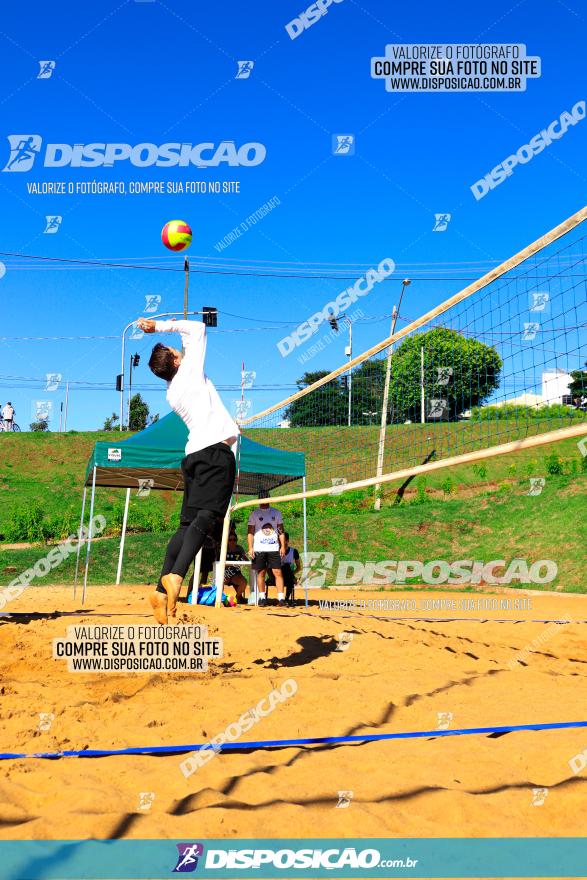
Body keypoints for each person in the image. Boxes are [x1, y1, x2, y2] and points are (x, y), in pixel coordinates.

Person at [138, 317, 239, 624]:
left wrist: (166, 341)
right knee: (209, 517)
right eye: (174, 349)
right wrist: (158, 327)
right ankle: (177, 576)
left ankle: (159, 590)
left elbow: (187, 343)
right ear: (176, 359)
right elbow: (197, 329)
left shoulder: (172, 391)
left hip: (193, 455)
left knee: (187, 525)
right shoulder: (189, 372)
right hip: (214, 453)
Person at [247, 501, 286, 607]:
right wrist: (251, 548)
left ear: (269, 499)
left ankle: (281, 599)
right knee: (261, 573)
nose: (263, 501)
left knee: (277, 572)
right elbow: (250, 532)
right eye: (261, 498)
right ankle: (262, 598)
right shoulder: (254, 513)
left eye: (265, 498)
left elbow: (281, 531)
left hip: (273, 548)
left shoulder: (276, 512)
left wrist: (282, 546)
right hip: (259, 548)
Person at [224, 531, 248, 603]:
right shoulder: (223, 549)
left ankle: (238, 597)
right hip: (225, 573)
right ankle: (220, 598)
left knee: (244, 582)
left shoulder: (239, 549)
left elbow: (245, 559)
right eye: (230, 540)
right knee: (219, 582)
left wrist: (245, 560)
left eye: (234, 540)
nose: (232, 541)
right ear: (227, 541)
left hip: (236, 574)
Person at [281, 532, 301, 606]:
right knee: (285, 566)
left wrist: (291, 574)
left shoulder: (294, 552)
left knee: (287, 566)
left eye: (283, 540)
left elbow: (299, 567)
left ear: (287, 540)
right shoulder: (275, 551)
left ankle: (286, 599)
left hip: (287, 576)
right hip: (277, 576)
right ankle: (294, 579)